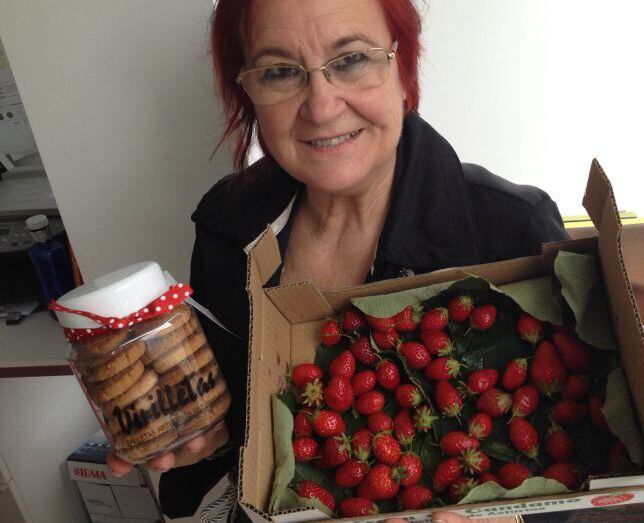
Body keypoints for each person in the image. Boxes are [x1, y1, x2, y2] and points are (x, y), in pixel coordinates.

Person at [107, 0, 568, 520]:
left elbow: (571, 469)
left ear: (403, 69)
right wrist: (203, 437)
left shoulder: (513, 231)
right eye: (280, 72)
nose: (322, 107)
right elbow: (244, 431)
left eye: (351, 59)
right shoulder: (226, 226)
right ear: (249, 91)